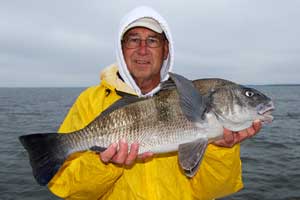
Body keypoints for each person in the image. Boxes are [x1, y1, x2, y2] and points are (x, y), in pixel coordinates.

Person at [48, 6, 262, 200]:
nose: (142, 49)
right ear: (121, 48)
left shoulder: (202, 110)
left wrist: (221, 149)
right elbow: (68, 189)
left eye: (152, 40)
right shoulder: (90, 101)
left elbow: (216, 191)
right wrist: (104, 164)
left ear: (166, 49)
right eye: (133, 40)